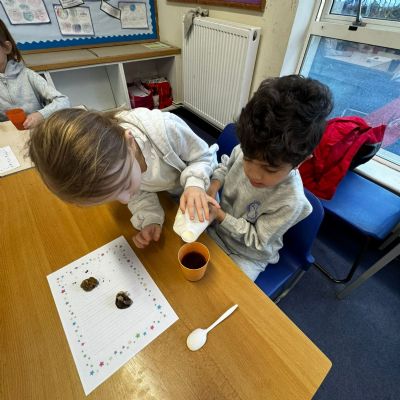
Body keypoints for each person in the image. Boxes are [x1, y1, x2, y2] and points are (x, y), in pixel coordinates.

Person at [28, 107, 219, 248]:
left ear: (130, 142)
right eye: (114, 195)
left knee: (213, 240)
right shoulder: (118, 165)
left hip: (202, 186)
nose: (126, 199)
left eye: (125, 184)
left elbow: (204, 156)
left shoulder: (166, 129)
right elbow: (140, 191)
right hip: (171, 198)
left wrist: (195, 184)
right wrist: (150, 218)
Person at [207, 75, 333, 281]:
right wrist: (213, 186)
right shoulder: (250, 147)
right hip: (217, 227)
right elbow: (225, 165)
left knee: (224, 291)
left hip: (247, 254)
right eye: (248, 159)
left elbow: (257, 241)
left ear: (300, 161)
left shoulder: (291, 201)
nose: (253, 174)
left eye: (270, 169)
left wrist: (220, 216)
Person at [0, 19, 70, 128]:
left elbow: (63, 101)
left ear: (6, 48)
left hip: (37, 131)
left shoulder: (28, 75)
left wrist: (41, 115)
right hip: (9, 135)